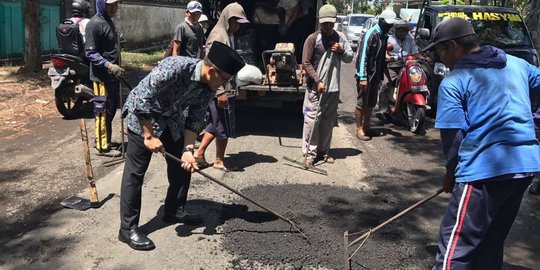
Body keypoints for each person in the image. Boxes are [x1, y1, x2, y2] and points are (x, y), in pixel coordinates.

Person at [423, 18, 540, 269]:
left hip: (482, 172)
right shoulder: (517, 64)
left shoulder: (454, 81)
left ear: (452, 46)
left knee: (455, 247)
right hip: (525, 166)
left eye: (440, 51)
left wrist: (451, 173)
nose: (440, 58)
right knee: (490, 240)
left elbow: (453, 139)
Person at [118, 41, 245, 251]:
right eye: (225, 80)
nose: (224, 86)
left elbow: (195, 119)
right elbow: (141, 99)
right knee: (135, 173)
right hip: (143, 117)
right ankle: (127, 229)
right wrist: (148, 136)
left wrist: (188, 150)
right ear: (212, 71)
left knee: (183, 166)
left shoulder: (208, 87)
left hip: (172, 119)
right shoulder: (175, 67)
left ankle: (174, 210)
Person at [193, 3, 249, 172]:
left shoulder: (227, 34)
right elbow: (211, 65)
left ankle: (200, 154)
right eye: (236, 22)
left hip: (224, 87)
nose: (238, 26)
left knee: (214, 123)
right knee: (223, 125)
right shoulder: (218, 36)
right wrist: (221, 92)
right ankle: (218, 160)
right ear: (228, 19)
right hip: (219, 89)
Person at [301, 4, 353, 167]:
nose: (328, 26)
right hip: (316, 88)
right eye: (324, 23)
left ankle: (323, 152)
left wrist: (341, 51)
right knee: (312, 120)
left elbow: (349, 58)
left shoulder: (340, 38)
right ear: (319, 22)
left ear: (335, 21)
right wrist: (318, 80)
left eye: (330, 23)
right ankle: (310, 153)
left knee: (328, 121)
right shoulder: (312, 39)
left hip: (333, 88)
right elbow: (306, 63)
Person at [85, 0, 124, 157]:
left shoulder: (109, 22)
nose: (113, 8)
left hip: (112, 76)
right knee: (102, 111)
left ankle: (104, 139)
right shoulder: (94, 24)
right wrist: (109, 66)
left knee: (111, 109)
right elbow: (90, 53)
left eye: (115, 5)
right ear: (101, 4)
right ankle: (102, 146)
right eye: (110, 5)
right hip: (101, 77)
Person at [354, 9, 398, 141]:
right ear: (381, 21)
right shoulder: (371, 34)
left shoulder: (383, 36)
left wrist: (381, 74)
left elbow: (380, 55)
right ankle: (359, 129)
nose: (390, 26)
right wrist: (362, 77)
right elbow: (363, 57)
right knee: (362, 102)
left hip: (375, 75)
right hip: (366, 75)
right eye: (388, 23)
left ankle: (367, 126)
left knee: (371, 102)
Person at [378, 19, 419, 120]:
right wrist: (387, 55)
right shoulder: (389, 40)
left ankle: (407, 106)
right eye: (401, 30)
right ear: (396, 30)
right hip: (392, 66)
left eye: (405, 31)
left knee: (415, 82)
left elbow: (415, 52)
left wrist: (423, 57)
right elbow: (384, 52)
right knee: (385, 85)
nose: (403, 33)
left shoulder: (410, 40)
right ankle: (383, 110)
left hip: (407, 66)